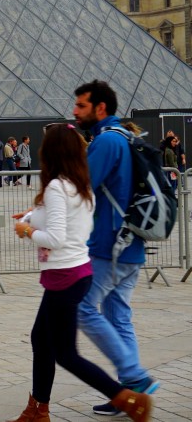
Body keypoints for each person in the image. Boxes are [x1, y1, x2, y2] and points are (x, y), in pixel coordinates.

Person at [7, 123, 152, 422]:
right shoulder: (80, 184)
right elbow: (68, 221)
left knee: (66, 354)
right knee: (40, 339)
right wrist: (33, 215)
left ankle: (128, 399)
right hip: (74, 273)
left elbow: (56, 238)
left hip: (64, 276)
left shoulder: (58, 187)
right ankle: (38, 409)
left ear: (53, 152)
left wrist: (28, 230)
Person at [71, 80, 158, 415]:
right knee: (119, 317)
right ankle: (129, 395)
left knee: (82, 309)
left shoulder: (107, 141)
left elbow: (81, 188)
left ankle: (135, 378)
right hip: (132, 244)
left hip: (109, 246)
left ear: (100, 108)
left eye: (81, 105)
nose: (75, 111)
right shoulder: (125, 137)